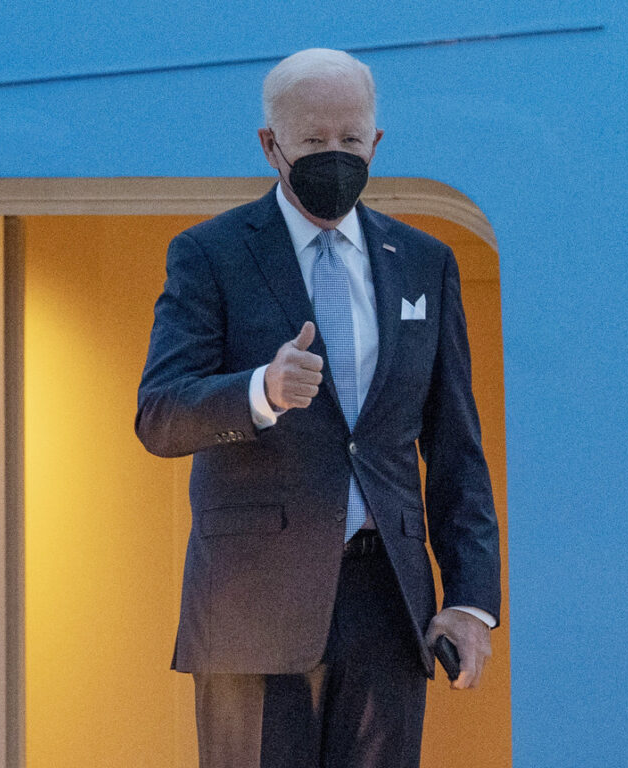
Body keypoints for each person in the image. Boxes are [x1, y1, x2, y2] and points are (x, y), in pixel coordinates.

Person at [135, 47, 501, 768]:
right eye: (312, 142)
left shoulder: (425, 262)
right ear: (271, 145)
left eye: (351, 140)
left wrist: (471, 600)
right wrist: (259, 392)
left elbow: (455, 443)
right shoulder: (210, 255)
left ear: (377, 142)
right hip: (252, 605)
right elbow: (160, 413)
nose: (335, 156)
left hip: (386, 600)